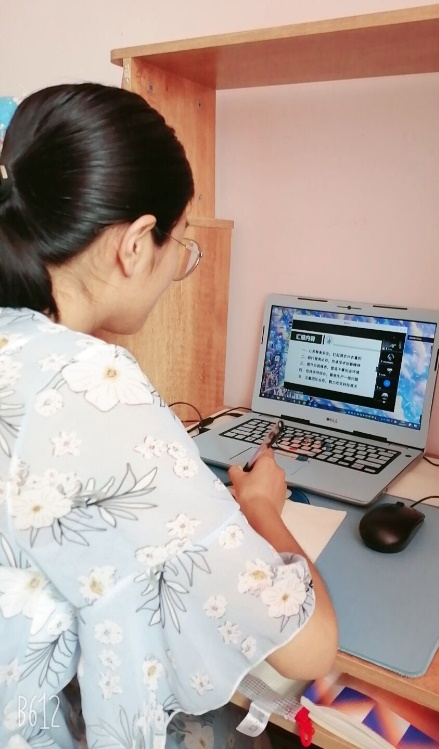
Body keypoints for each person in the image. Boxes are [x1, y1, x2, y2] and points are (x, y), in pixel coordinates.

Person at [0, 83, 338, 749]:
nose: (179, 265)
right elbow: (312, 648)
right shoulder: (93, 384)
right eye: (182, 244)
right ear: (134, 244)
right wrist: (261, 507)